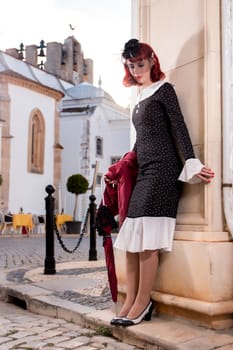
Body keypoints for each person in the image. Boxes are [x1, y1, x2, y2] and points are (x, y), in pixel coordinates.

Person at [109, 39, 215, 327]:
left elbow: (179, 126)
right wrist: (124, 165)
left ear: (152, 61)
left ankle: (142, 305)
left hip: (164, 172)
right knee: (131, 239)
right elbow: (141, 140)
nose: (136, 70)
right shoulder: (140, 95)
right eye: (131, 66)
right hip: (144, 172)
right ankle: (130, 300)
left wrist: (192, 162)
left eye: (140, 64)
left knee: (148, 244)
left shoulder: (164, 91)